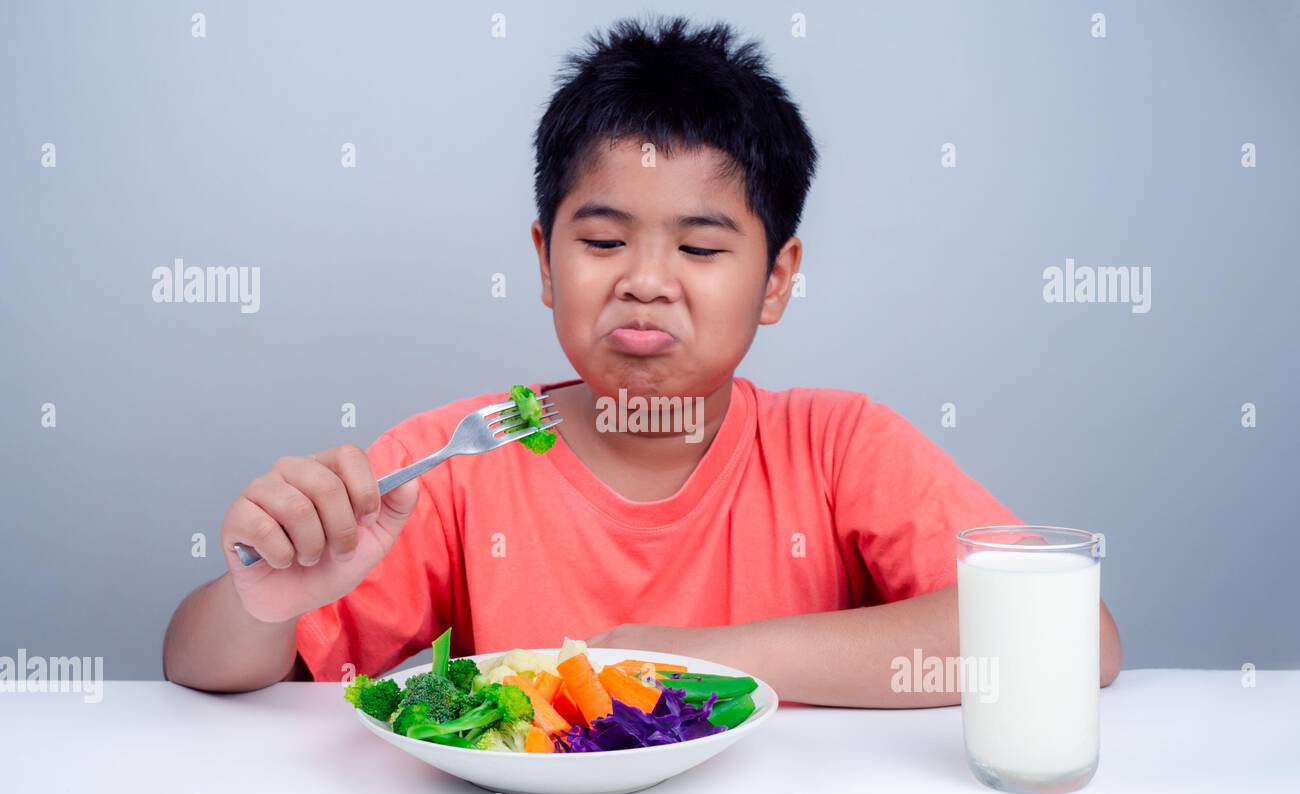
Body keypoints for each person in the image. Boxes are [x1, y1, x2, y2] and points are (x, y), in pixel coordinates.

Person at [164, 16, 1121, 706]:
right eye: (603, 241)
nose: (648, 282)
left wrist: (690, 658)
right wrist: (264, 601)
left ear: (778, 278)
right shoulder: (458, 459)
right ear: (543, 262)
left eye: (701, 249)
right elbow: (198, 663)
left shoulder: (837, 447)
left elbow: (1073, 635)